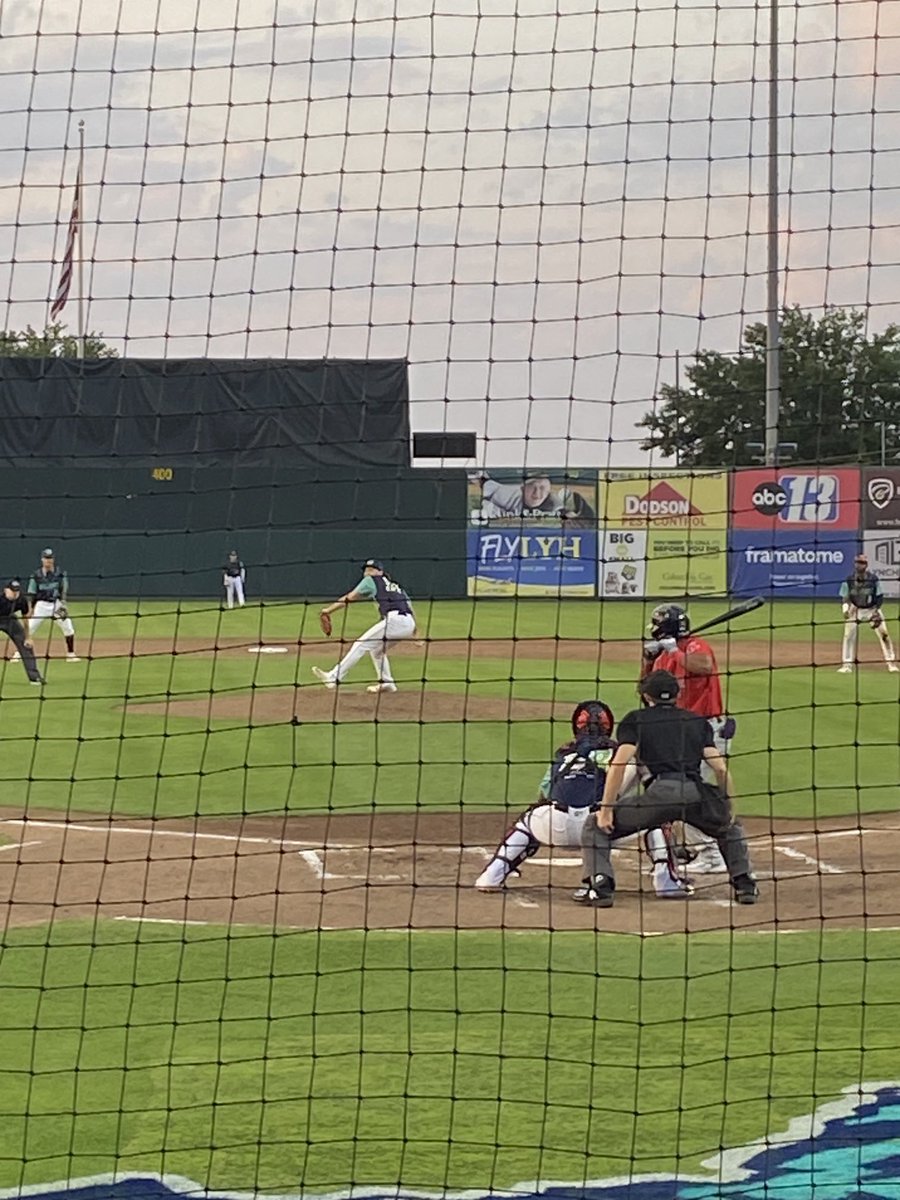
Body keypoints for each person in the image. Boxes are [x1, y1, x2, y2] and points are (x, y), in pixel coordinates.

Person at [474, 700, 693, 899]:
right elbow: (650, 786)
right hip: (600, 828)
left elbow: (546, 794)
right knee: (656, 817)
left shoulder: (564, 752)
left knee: (527, 821)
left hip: (554, 828)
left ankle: (492, 876)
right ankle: (667, 882)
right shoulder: (622, 751)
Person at [579, 670, 758, 908]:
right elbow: (721, 769)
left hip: (658, 796)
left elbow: (619, 764)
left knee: (594, 826)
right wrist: (728, 807)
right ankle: (744, 884)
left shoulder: (635, 719)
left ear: (645, 695)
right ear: (677, 694)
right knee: (730, 826)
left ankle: (601, 886)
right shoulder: (697, 721)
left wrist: (606, 809)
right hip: (694, 793)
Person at [641, 603, 731, 873]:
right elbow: (645, 693)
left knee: (690, 790)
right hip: (681, 732)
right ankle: (696, 847)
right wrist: (648, 660)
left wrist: (674, 651)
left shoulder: (694, 646)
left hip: (706, 729)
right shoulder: (664, 655)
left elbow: (703, 666)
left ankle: (712, 855)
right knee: (677, 786)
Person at [312, 559, 416, 694]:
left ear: (380, 572)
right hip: (406, 623)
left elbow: (350, 597)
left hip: (395, 620)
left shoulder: (371, 580)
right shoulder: (395, 586)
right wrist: (415, 632)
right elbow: (409, 607)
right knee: (377, 651)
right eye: (366, 569)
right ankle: (387, 682)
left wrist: (328, 610)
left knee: (360, 644)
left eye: (372, 569)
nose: (368, 572)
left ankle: (333, 677)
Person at [13, 548, 79, 663]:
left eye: (50, 558)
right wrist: (30, 609)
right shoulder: (36, 575)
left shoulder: (60, 574)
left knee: (68, 627)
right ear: (42, 560)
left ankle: (71, 654)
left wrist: (63, 604)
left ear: (53, 560)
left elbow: (63, 589)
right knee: (29, 628)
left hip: (55, 604)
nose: (48, 561)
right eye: (46, 558)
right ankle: (18, 653)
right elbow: (32, 593)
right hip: (41, 605)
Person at [838, 553, 897, 673]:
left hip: (872, 609)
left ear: (866, 565)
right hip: (855, 608)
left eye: (862, 563)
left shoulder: (873, 579)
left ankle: (891, 663)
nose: (859, 565)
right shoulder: (849, 580)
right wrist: (845, 609)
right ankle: (847, 665)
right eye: (858, 562)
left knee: (884, 635)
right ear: (855, 564)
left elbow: (879, 596)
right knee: (848, 636)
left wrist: (876, 611)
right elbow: (845, 596)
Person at [473, 473, 596, 524]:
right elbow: (481, 481)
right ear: (523, 488)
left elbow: (561, 511)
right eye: (532, 487)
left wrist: (569, 514)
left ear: (548, 491)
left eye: (543, 488)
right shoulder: (509, 494)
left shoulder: (553, 502)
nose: (537, 494)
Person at [0, 580, 44, 684]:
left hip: (10, 620)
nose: (15, 593)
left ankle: (34, 677)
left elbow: (25, 619)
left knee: (26, 645)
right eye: (12, 591)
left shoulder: (21, 600)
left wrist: (28, 637)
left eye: (17, 591)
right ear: (6, 590)